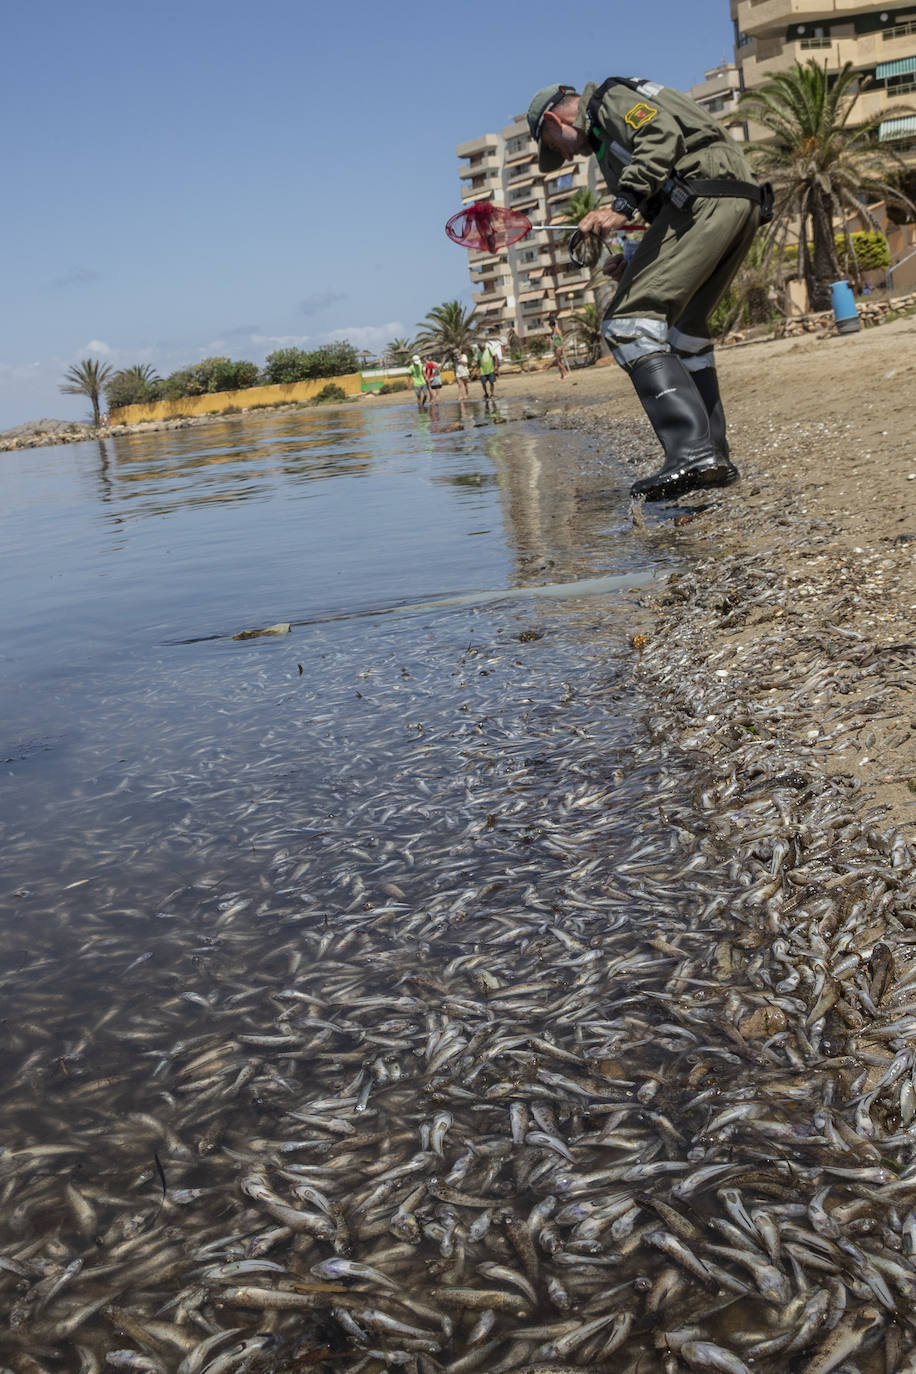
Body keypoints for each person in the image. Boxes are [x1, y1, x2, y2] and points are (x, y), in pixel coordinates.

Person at [527, 77, 769, 502]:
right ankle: (714, 458)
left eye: (553, 145)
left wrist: (621, 207)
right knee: (685, 334)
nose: (562, 156)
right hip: (737, 201)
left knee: (627, 325)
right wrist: (637, 260)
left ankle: (693, 453)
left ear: (553, 119)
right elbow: (664, 199)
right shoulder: (606, 138)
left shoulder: (606, 101)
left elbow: (660, 135)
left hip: (707, 199)